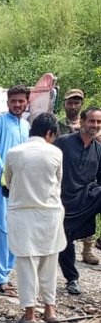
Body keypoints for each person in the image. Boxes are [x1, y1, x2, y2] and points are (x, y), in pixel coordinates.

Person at [4, 113, 65, 323]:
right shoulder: (56, 152)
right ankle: (50, 309)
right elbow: (58, 181)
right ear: (50, 133)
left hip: (22, 214)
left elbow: (9, 182)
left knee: (27, 264)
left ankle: (30, 313)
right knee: (49, 262)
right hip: (50, 214)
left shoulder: (13, 153)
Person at [0, 85, 30, 294]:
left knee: (13, 229)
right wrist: (4, 173)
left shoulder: (25, 126)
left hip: (18, 186)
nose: (18, 105)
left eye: (21, 101)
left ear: (26, 102)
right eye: (14, 101)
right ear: (8, 102)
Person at [57, 107, 101, 295]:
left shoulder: (99, 149)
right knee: (64, 242)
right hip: (63, 200)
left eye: (99, 122)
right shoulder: (64, 143)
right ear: (82, 122)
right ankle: (72, 279)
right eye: (92, 121)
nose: (95, 125)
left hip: (86, 198)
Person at [60, 88, 99, 263]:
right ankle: (71, 278)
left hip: (85, 196)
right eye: (71, 103)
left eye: (77, 103)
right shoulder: (60, 132)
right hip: (63, 194)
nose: (74, 106)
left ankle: (89, 248)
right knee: (64, 238)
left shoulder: (97, 144)